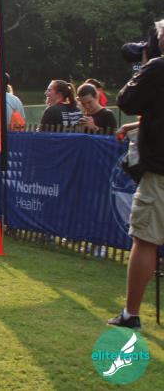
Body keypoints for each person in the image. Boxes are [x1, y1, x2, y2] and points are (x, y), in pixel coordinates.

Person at [108, 19, 164, 330]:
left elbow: (125, 101)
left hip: (159, 173)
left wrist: (144, 66)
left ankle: (131, 314)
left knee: (145, 240)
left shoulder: (156, 68)